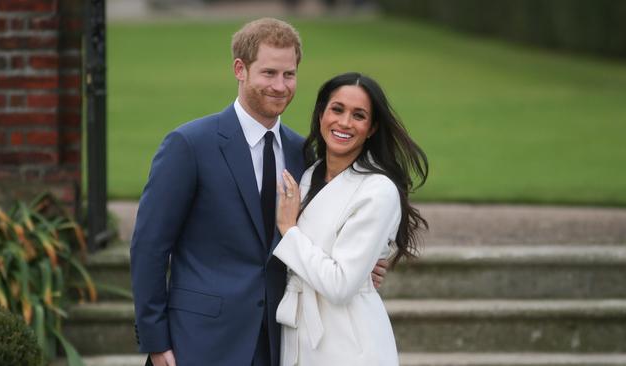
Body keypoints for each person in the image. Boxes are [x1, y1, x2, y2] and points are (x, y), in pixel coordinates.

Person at [130, 19, 388, 366]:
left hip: (280, 341)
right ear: (240, 69)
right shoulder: (189, 145)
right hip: (200, 341)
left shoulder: (305, 153)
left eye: (289, 75)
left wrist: (360, 264)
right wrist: (156, 342)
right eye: (269, 73)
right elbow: (149, 247)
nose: (280, 86)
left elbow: (318, 229)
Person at [274, 72, 428, 365]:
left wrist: (288, 230)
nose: (344, 123)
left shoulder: (377, 190)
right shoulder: (307, 176)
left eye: (359, 115)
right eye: (337, 109)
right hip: (296, 336)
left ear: (371, 128)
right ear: (321, 114)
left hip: (350, 342)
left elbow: (341, 284)